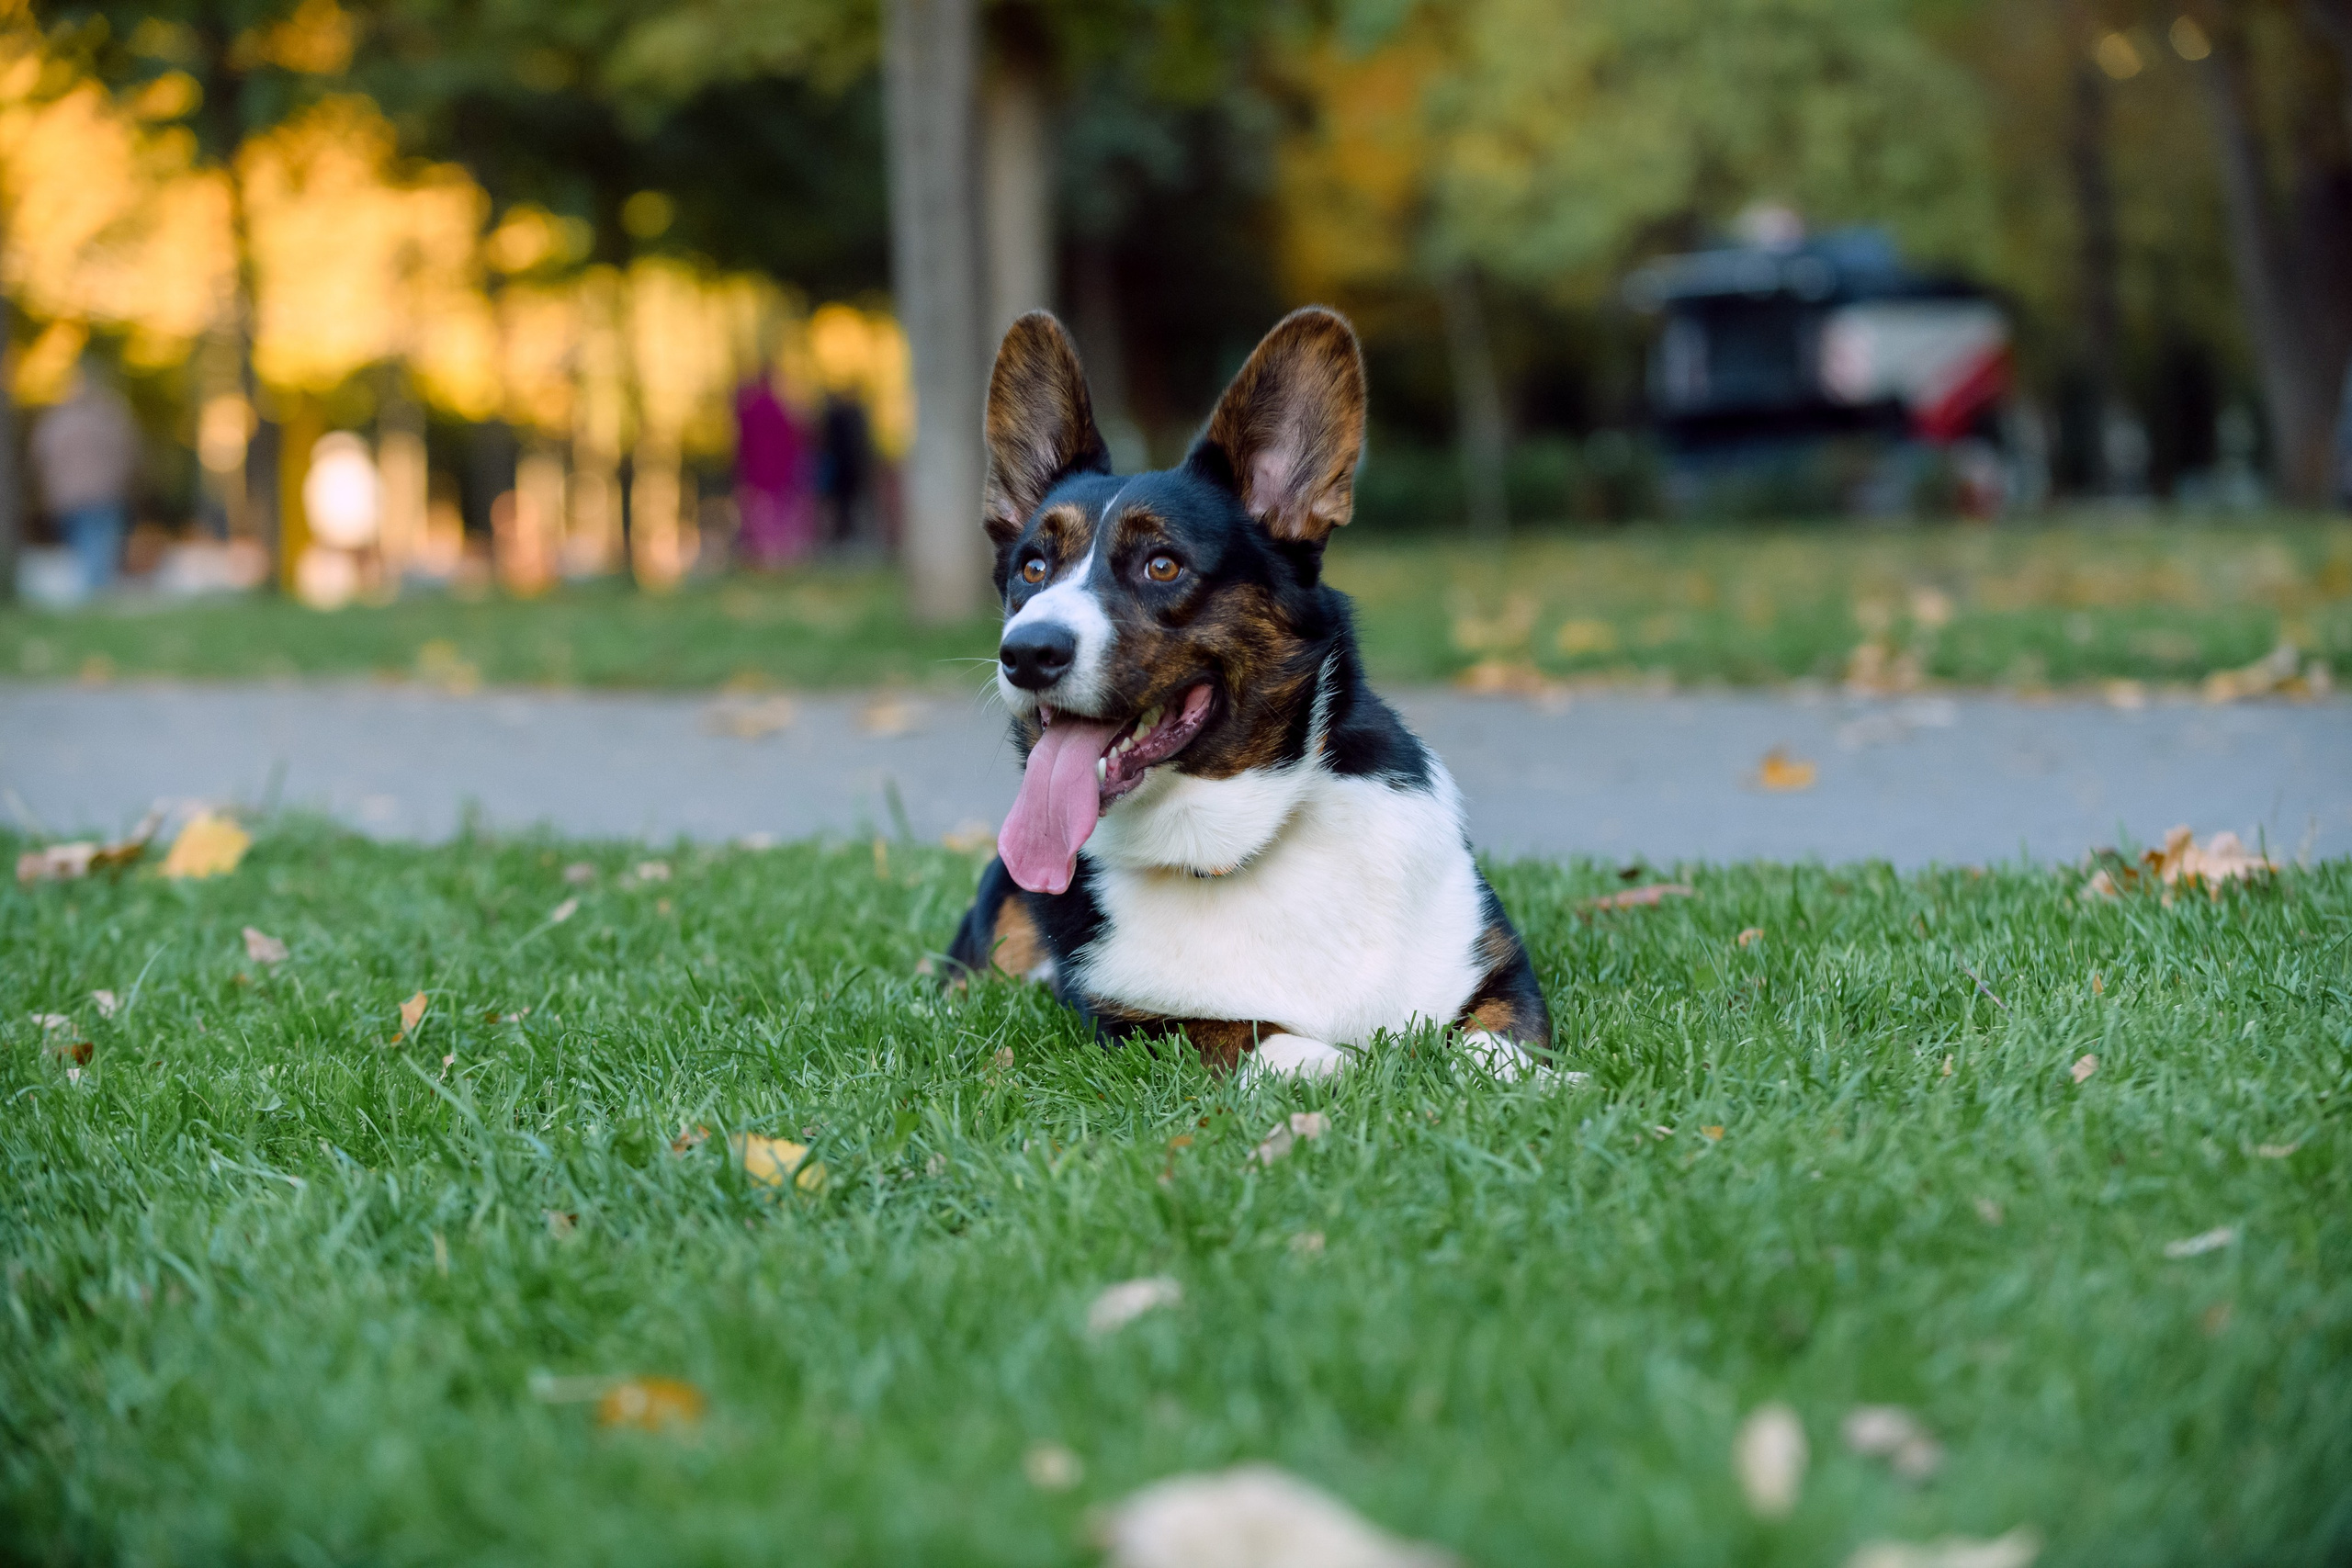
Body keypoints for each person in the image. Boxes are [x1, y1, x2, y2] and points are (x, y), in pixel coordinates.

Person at [32, 362, 140, 597]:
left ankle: (92, 590)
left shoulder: (57, 420)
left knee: (84, 542)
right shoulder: (110, 415)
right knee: (101, 542)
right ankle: (96, 590)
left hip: (71, 494)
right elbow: (128, 451)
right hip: (104, 491)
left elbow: (42, 455)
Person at [732, 378, 817, 566]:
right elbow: (798, 439)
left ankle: (765, 555)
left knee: (762, 513)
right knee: (779, 513)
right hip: (780, 471)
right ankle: (781, 554)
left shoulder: (751, 409)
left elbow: (743, 445)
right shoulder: (784, 409)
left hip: (759, 471)